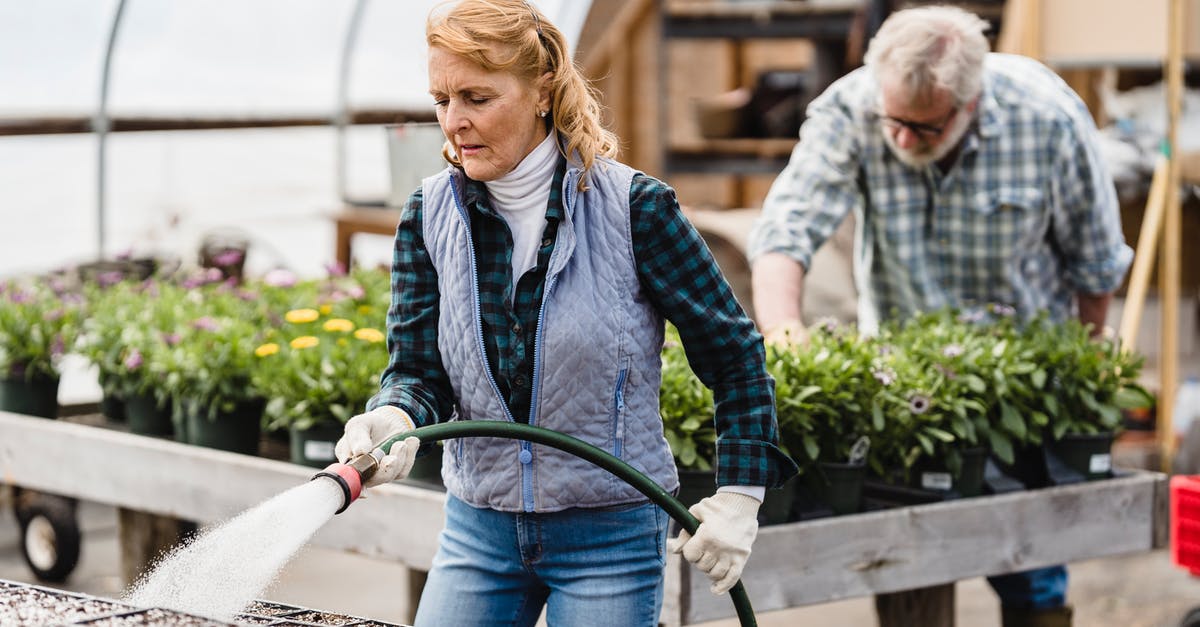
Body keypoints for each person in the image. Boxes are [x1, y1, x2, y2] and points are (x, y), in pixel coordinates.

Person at [333, 1, 797, 625]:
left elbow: (734, 354)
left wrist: (741, 497)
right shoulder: (428, 214)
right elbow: (418, 368)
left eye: (477, 97)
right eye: (442, 100)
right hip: (479, 529)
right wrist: (394, 415)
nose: (454, 123)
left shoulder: (636, 210)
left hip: (608, 534)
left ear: (542, 91)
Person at [747, 6, 1132, 627]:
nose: (900, 140)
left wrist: (1082, 373)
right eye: (892, 121)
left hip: (1019, 390)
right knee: (906, 559)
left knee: (1027, 561)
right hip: (904, 387)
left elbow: (1095, 264)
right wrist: (784, 332)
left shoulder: (1047, 118)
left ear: (969, 103)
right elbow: (784, 233)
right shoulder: (852, 109)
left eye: (921, 129)